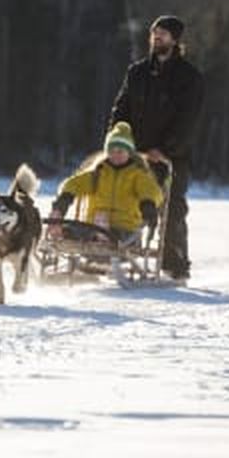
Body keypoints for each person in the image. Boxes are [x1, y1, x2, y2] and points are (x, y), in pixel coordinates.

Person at [107, 15, 204, 280]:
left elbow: (188, 120)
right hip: (134, 153)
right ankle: (117, 252)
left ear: (175, 39)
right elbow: (121, 108)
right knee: (121, 199)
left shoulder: (189, 77)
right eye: (154, 33)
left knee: (172, 209)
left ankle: (175, 266)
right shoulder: (137, 72)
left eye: (162, 33)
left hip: (171, 156)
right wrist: (116, 140)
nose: (156, 37)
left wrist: (166, 149)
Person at [47, 122, 163, 243]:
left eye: (120, 151)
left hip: (125, 227)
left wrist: (148, 204)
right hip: (92, 225)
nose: (116, 155)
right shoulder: (98, 173)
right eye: (112, 151)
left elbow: (151, 190)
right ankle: (64, 231)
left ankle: (102, 236)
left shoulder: (137, 175)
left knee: (117, 235)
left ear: (129, 153)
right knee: (79, 230)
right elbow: (74, 184)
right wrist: (63, 202)